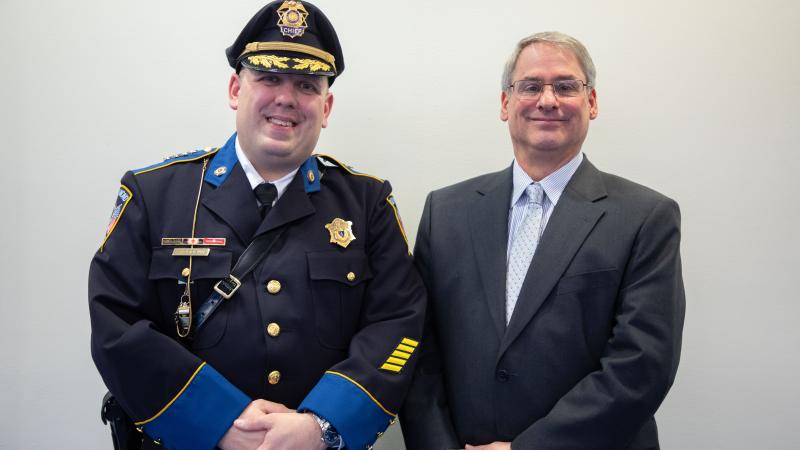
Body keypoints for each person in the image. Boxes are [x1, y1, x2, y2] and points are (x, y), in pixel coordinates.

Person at [89, 2, 425, 449]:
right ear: (235, 88)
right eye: (268, 78)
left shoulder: (367, 204)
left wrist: (321, 425)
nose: (286, 98)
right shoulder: (155, 194)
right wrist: (219, 421)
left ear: (326, 107)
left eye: (307, 85)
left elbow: (397, 325)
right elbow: (116, 326)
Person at [400, 31, 685, 450]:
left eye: (566, 86)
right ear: (505, 103)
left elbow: (642, 365)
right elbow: (417, 351)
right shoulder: (446, 212)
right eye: (530, 86)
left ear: (592, 102)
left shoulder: (646, 217)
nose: (547, 100)